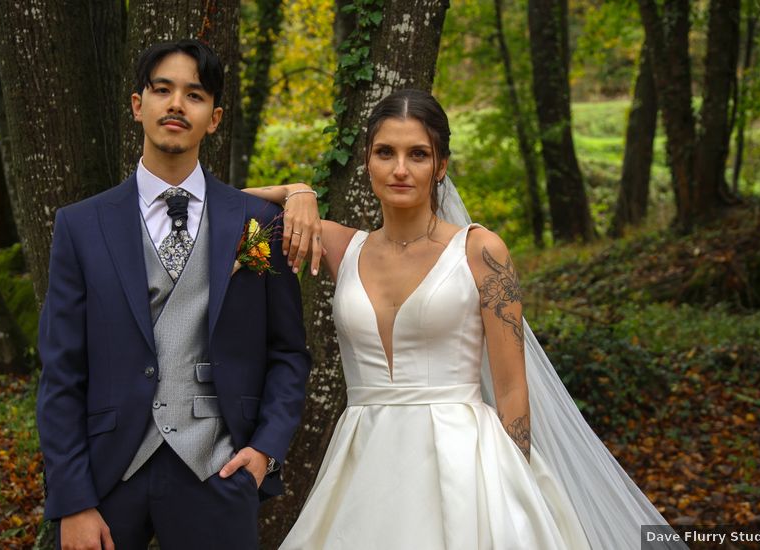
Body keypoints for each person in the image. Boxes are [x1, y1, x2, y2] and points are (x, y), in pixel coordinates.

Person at [245, 89, 681, 549]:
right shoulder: (339, 245)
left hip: (465, 461)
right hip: (363, 456)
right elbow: (215, 203)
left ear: (441, 166)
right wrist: (297, 192)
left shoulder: (480, 251)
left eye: (418, 154)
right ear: (367, 162)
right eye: (384, 152)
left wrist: (515, 485)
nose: (399, 169)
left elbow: (512, 386)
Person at [35, 38, 311, 550]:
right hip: (108, 474)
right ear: (139, 106)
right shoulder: (80, 225)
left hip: (219, 466)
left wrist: (264, 450)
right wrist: (72, 499)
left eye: (195, 95)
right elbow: (61, 370)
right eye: (162, 90)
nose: (177, 104)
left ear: (216, 117)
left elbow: (288, 352)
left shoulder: (257, 225)